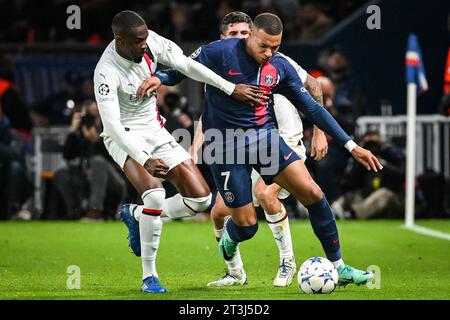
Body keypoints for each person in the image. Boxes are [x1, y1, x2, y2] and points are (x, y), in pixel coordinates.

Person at [143, 13, 382, 288]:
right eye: (264, 46)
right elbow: (180, 67)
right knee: (246, 226)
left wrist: (352, 146)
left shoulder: (280, 67)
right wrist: (159, 78)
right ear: (251, 36)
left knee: (314, 194)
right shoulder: (218, 52)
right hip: (224, 145)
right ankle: (232, 241)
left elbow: (313, 108)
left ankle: (339, 267)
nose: (269, 53)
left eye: (276, 47)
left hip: (264, 140)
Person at [93, 10, 265, 294]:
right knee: (156, 195)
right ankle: (150, 276)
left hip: (155, 130)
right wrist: (145, 158)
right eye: (137, 41)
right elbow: (111, 125)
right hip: (124, 136)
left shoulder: (151, 42)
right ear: (119, 40)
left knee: (200, 199)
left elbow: (187, 66)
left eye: (145, 39)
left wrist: (230, 87)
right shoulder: (106, 70)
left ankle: (137, 215)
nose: (144, 45)